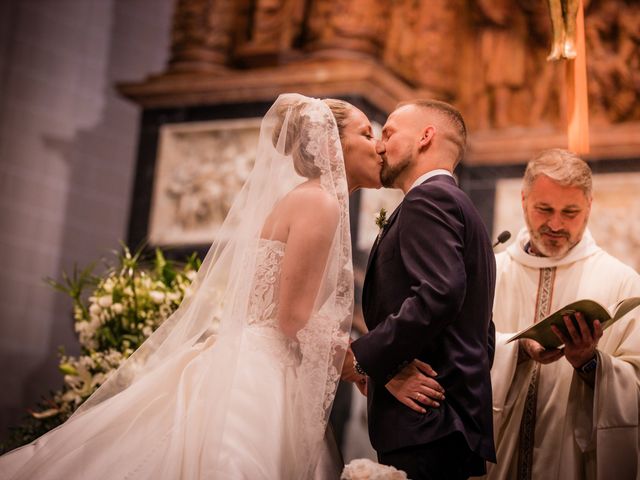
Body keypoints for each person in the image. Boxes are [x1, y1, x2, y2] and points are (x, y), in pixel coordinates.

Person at [0, 94, 381, 479]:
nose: (378, 144)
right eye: (367, 134)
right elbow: (293, 318)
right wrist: (356, 364)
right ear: (333, 141)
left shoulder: (306, 199)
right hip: (261, 373)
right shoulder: (319, 203)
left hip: (252, 358)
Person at [342, 99, 497, 480]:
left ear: (426, 137)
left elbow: (440, 293)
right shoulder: (459, 205)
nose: (380, 145)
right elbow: (482, 330)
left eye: (389, 133)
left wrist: (365, 358)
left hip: (428, 418)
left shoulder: (431, 199)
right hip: (445, 417)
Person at [484, 149, 640, 480]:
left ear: (589, 208)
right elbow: (456, 355)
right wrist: (519, 350)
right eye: (544, 209)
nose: (556, 224)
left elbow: (637, 381)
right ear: (524, 200)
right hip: (496, 453)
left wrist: (591, 364)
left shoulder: (623, 282)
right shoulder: (490, 274)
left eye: (570, 212)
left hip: (573, 460)